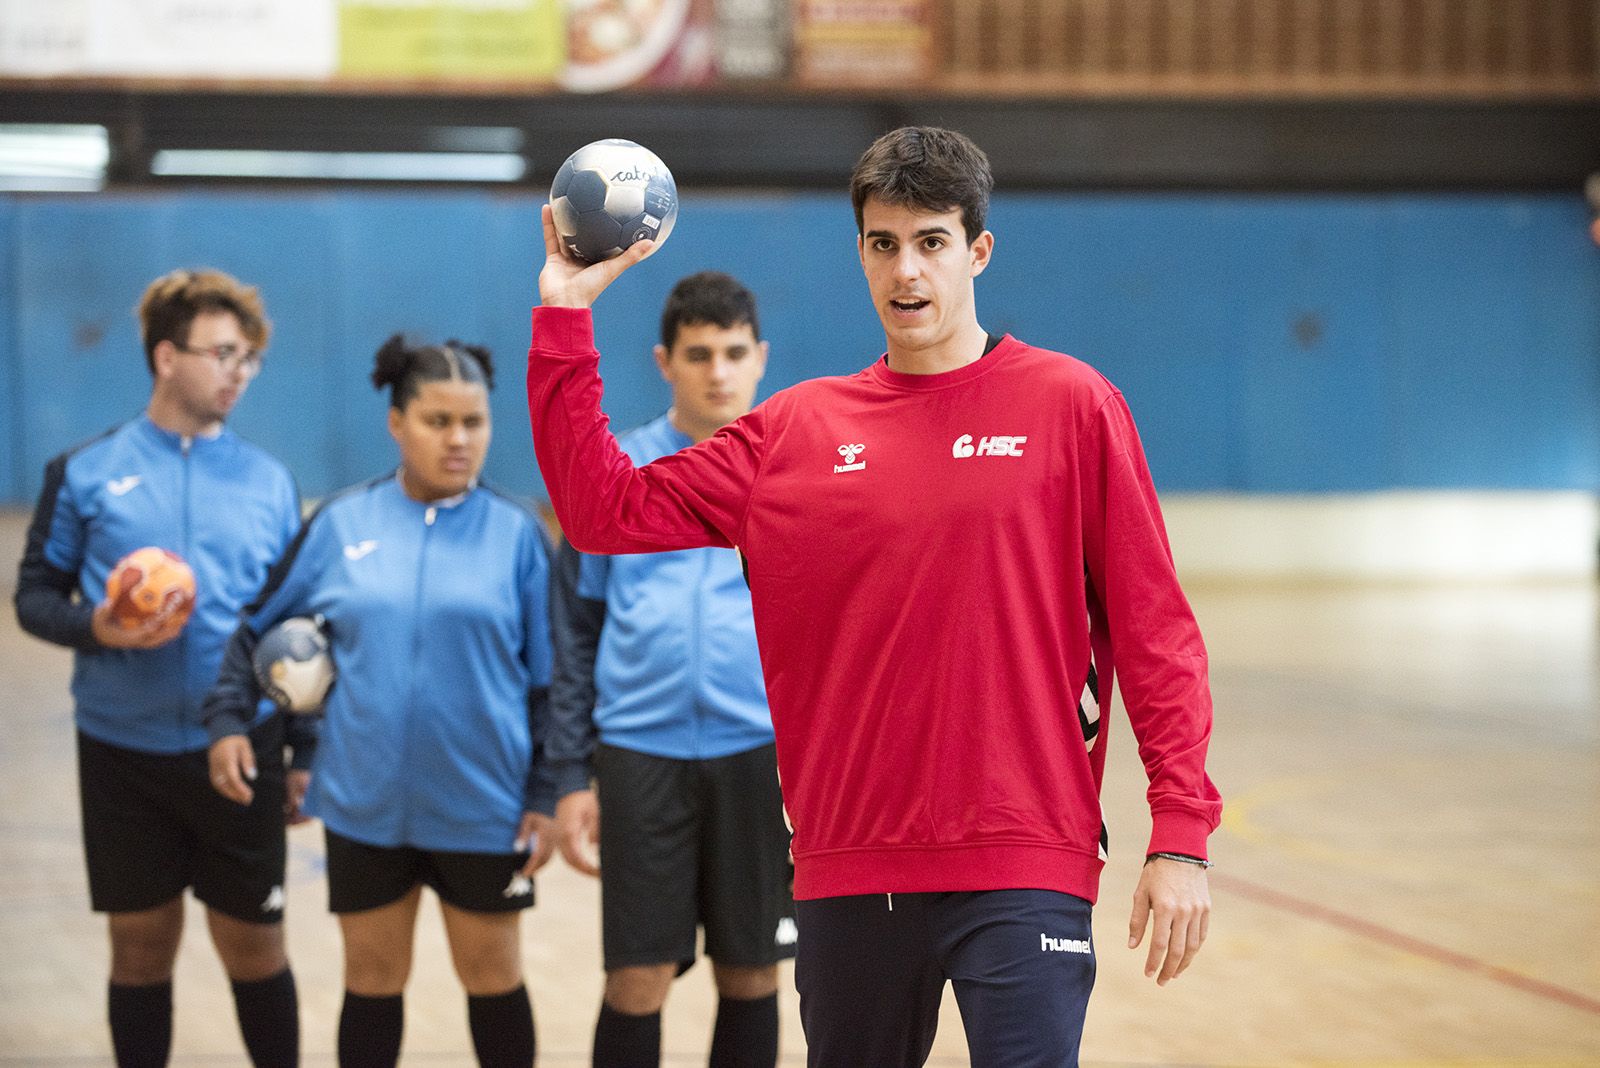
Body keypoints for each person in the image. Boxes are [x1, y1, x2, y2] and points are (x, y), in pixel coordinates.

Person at [526, 126, 1223, 1067]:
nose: (908, 270)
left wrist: (1179, 833)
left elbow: (1156, 635)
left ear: (976, 250)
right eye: (884, 243)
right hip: (848, 867)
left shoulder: (1072, 406)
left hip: (1024, 855)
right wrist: (565, 312)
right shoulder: (795, 431)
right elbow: (602, 511)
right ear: (860, 252)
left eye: (932, 241)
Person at [203, 334, 558, 1068]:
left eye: (474, 422)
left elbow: (554, 681)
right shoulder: (340, 524)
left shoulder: (518, 533)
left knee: (493, 979)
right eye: (438, 421)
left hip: (484, 805)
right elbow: (253, 629)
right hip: (364, 804)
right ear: (396, 423)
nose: (459, 440)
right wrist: (230, 720)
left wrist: (549, 791)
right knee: (371, 982)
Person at [13, 268, 305, 1068]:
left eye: (248, 359)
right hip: (122, 751)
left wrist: (304, 748)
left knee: (256, 949)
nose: (238, 372)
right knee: (140, 950)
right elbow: (34, 596)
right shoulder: (85, 472)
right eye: (222, 354)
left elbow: (295, 634)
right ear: (167, 356)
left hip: (240, 750)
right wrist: (99, 626)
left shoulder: (271, 484)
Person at [547, 271, 794, 1068]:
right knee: (637, 976)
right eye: (697, 354)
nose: (717, 371)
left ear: (760, 357)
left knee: (754, 972)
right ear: (665, 361)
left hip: (760, 757)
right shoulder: (619, 480)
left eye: (731, 353)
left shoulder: (798, 478)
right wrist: (570, 775)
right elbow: (574, 636)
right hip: (638, 755)